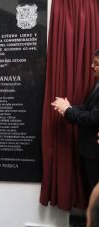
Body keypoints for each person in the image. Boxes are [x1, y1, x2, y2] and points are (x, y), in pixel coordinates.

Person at [51, 49, 99, 198]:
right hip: (90, 152)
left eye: (96, 63)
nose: (92, 66)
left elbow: (92, 118)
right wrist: (69, 108)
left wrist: (67, 111)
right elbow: (87, 107)